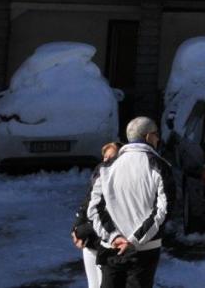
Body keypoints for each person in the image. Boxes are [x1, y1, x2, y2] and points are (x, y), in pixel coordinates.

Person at [89, 117, 170, 288]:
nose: (158, 140)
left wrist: (114, 237)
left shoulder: (105, 168)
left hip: (111, 248)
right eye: (156, 135)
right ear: (148, 137)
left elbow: (95, 208)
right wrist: (133, 240)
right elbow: (163, 209)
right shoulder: (160, 166)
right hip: (145, 248)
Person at [72, 142, 121, 288]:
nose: (106, 161)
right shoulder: (98, 174)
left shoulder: (120, 181)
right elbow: (86, 204)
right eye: (104, 157)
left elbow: (109, 214)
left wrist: (84, 230)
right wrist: (76, 228)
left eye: (111, 158)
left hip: (107, 243)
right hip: (91, 242)